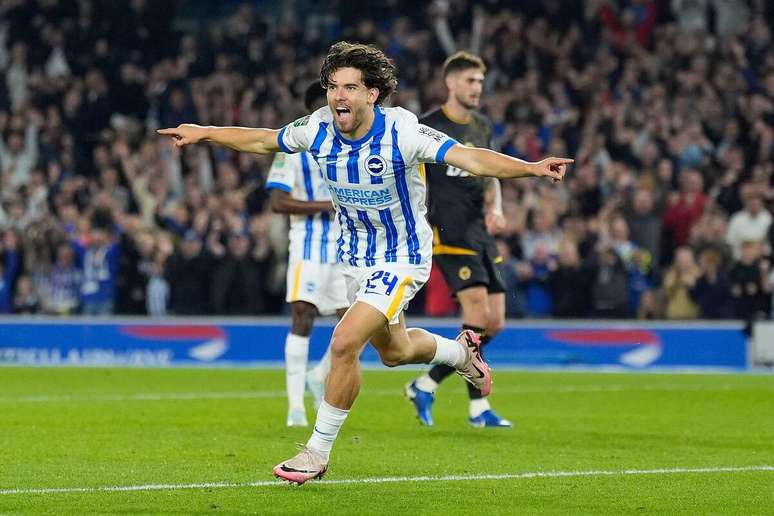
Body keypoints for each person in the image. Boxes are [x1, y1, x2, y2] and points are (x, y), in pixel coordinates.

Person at [158, 41, 571, 484]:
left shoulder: (404, 131)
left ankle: (315, 453)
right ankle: (459, 352)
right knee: (394, 353)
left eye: (351, 87)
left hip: (402, 257)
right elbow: (261, 139)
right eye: (334, 86)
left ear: (373, 93)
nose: (339, 96)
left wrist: (531, 167)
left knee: (343, 342)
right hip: (356, 259)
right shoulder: (316, 128)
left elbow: (470, 157)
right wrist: (204, 131)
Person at [405, 51, 511, 428]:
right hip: (447, 232)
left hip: (480, 233)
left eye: (481, 82)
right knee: (477, 316)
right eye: (471, 81)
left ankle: (426, 383)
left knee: (494, 322)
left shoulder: (482, 126)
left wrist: (496, 207)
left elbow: (491, 171)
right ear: (450, 82)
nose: (477, 88)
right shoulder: (427, 127)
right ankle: (479, 409)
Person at [266, 82, 349, 427]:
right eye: (323, 106)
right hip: (308, 244)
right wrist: (325, 205)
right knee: (303, 316)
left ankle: (320, 376)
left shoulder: (351, 143)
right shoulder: (291, 147)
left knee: (352, 325)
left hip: (347, 245)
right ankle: (295, 406)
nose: (329, 113)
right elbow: (278, 202)